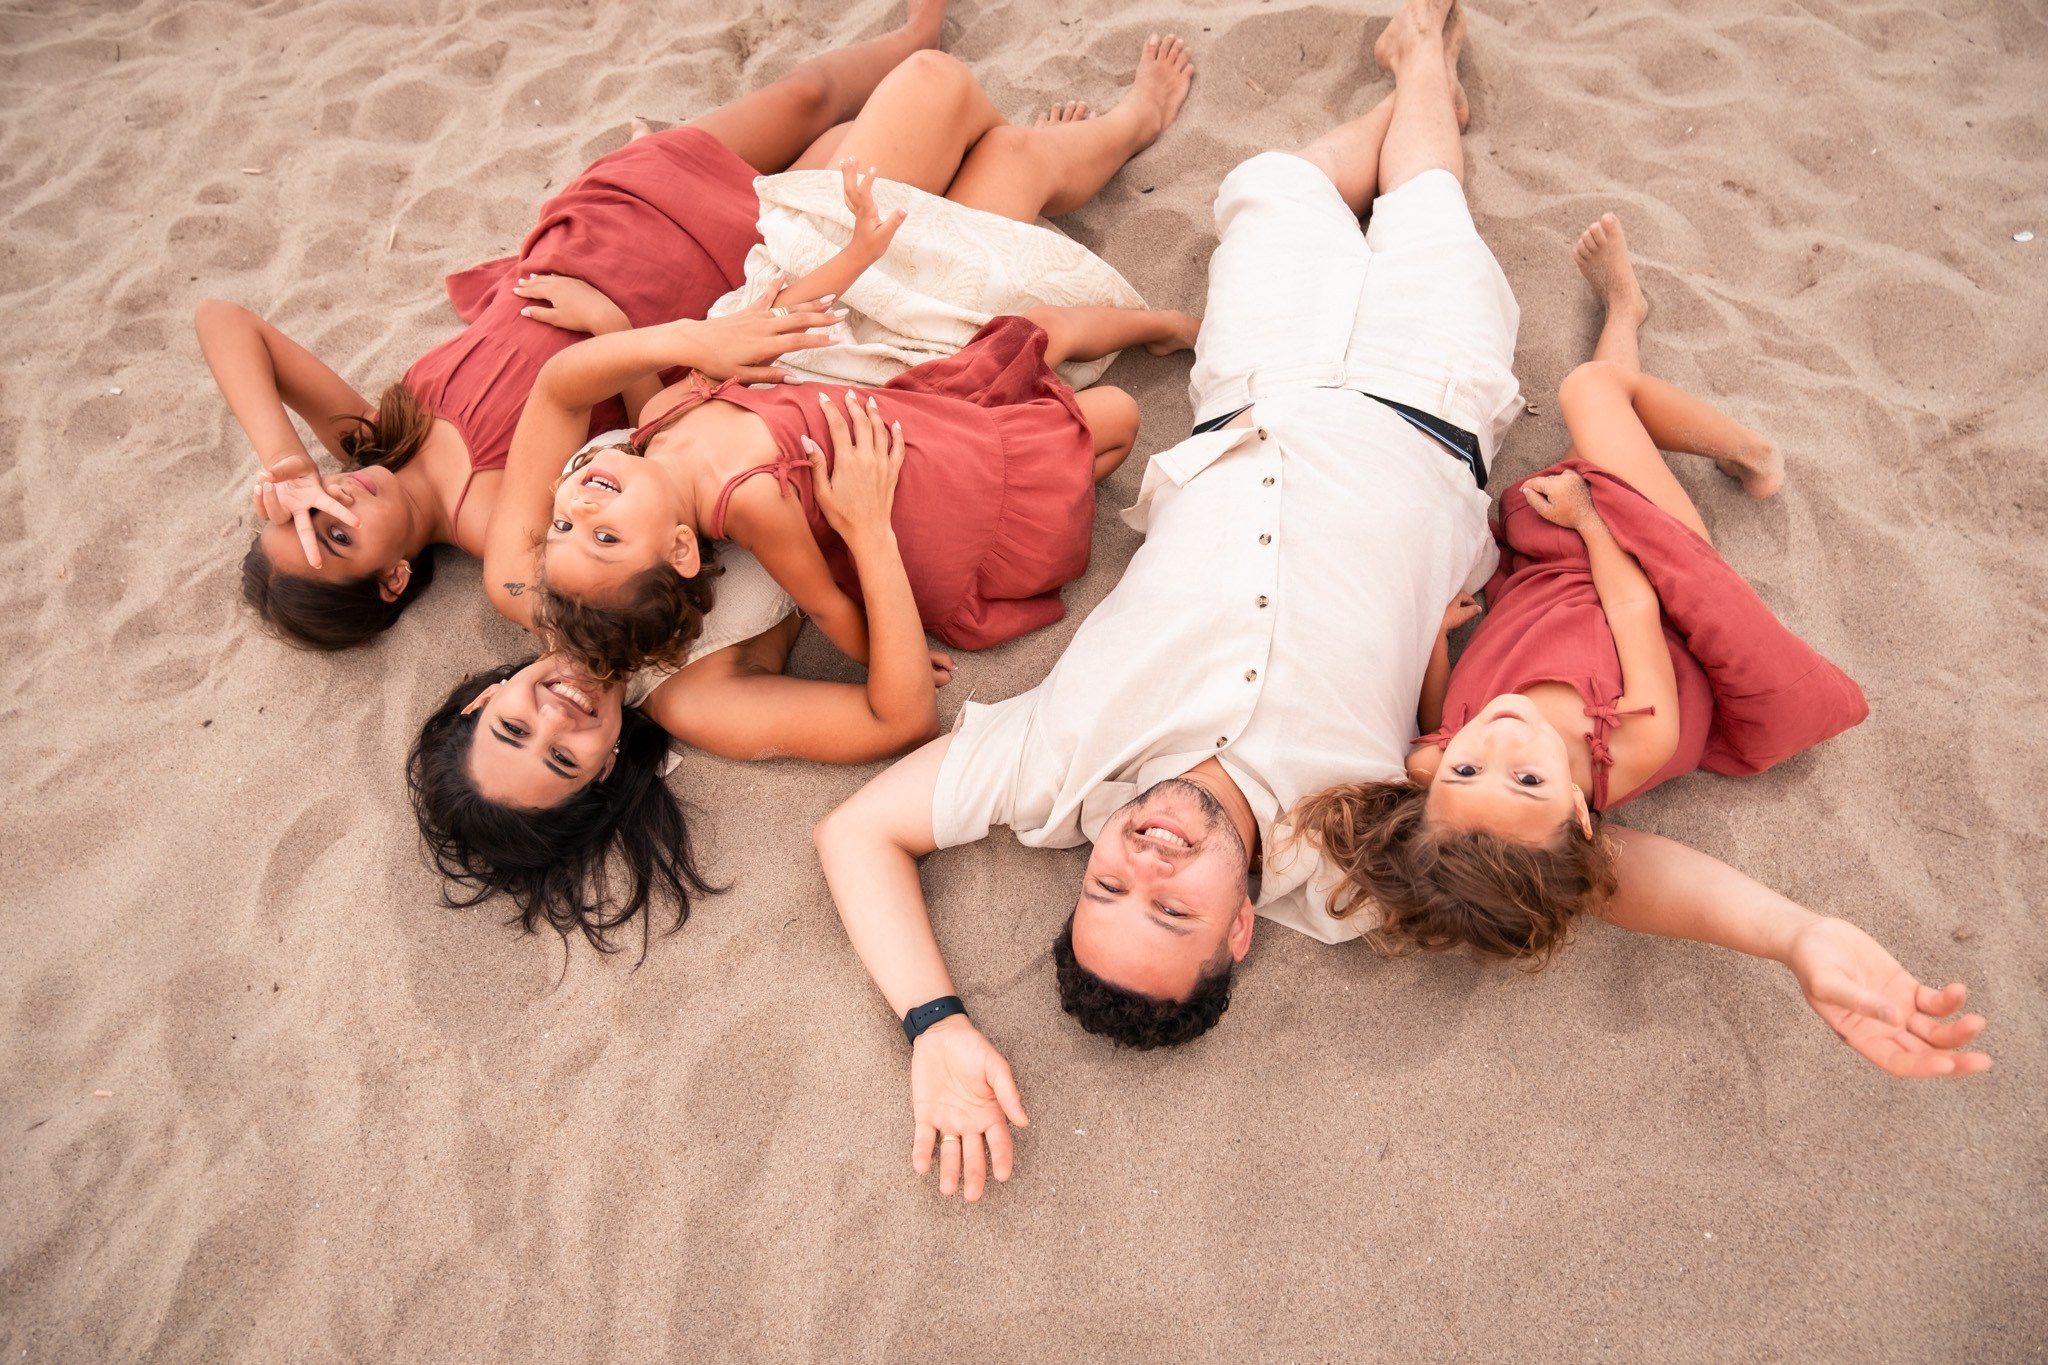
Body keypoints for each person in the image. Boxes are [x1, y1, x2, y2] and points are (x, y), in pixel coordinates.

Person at [809, 0, 1987, 1204]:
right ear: (1237, 931)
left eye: (1107, 887)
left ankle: (1406, 106)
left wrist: (934, 1024)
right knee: (1427, 206)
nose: (1143, 861)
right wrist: (1794, 935)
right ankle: (1421, 65)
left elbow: (854, 833)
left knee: (1270, 184)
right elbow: (1586, 865)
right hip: (1429, 399)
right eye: (1169, 910)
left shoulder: (1051, 775)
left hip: (1254, 382)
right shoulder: (1348, 864)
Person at [196, 1, 955, 648]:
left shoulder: (367, 437)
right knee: (846, 162)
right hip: (699, 281)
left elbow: (223, 319)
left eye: (308, 511)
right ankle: (936, 81)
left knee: (806, 95)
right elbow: (598, 543)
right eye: (335, 536)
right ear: (393, 578)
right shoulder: (497, 524)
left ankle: (915, 28)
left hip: (609, 221)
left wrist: (288, 464)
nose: (334, 502)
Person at [486, 36, 1202, 675]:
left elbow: (783, 326)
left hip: (897, 393)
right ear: (680, 549)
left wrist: (611, 324)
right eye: (605, 536)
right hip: (934, 460)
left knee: (1029, 273)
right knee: (1104, 407)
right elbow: (826, 602)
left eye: (563, 526)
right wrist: (893, 652)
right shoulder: (749, 499)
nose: (580, 506)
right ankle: (1147, 294)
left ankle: (1130, 264)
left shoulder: (655, 430)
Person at [1292, 213, 1870, 961]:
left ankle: (1626, 312)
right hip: (1638, 569)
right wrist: (1590, 518)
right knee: (1592, 394)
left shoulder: (1438, 763)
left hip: (1546, 581)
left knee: (1584, 445)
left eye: (1466, 770)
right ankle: (1754, 453)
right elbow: (1633, 605)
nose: (1498, 740)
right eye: (1527, 779)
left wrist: (1437, 644)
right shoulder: (1633, 741)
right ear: (1578, 810)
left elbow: (1436, 723)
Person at [410, 393, 957, 953]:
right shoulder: (694, 700)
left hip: (746, 389)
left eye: (514, 728)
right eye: (563, 758)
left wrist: (695, 363)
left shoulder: (520, 583)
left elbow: (566, 398)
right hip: (868, 454)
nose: (555, 719)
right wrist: (870, 534)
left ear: (484, 700)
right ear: (605, 770)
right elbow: (901, 721)